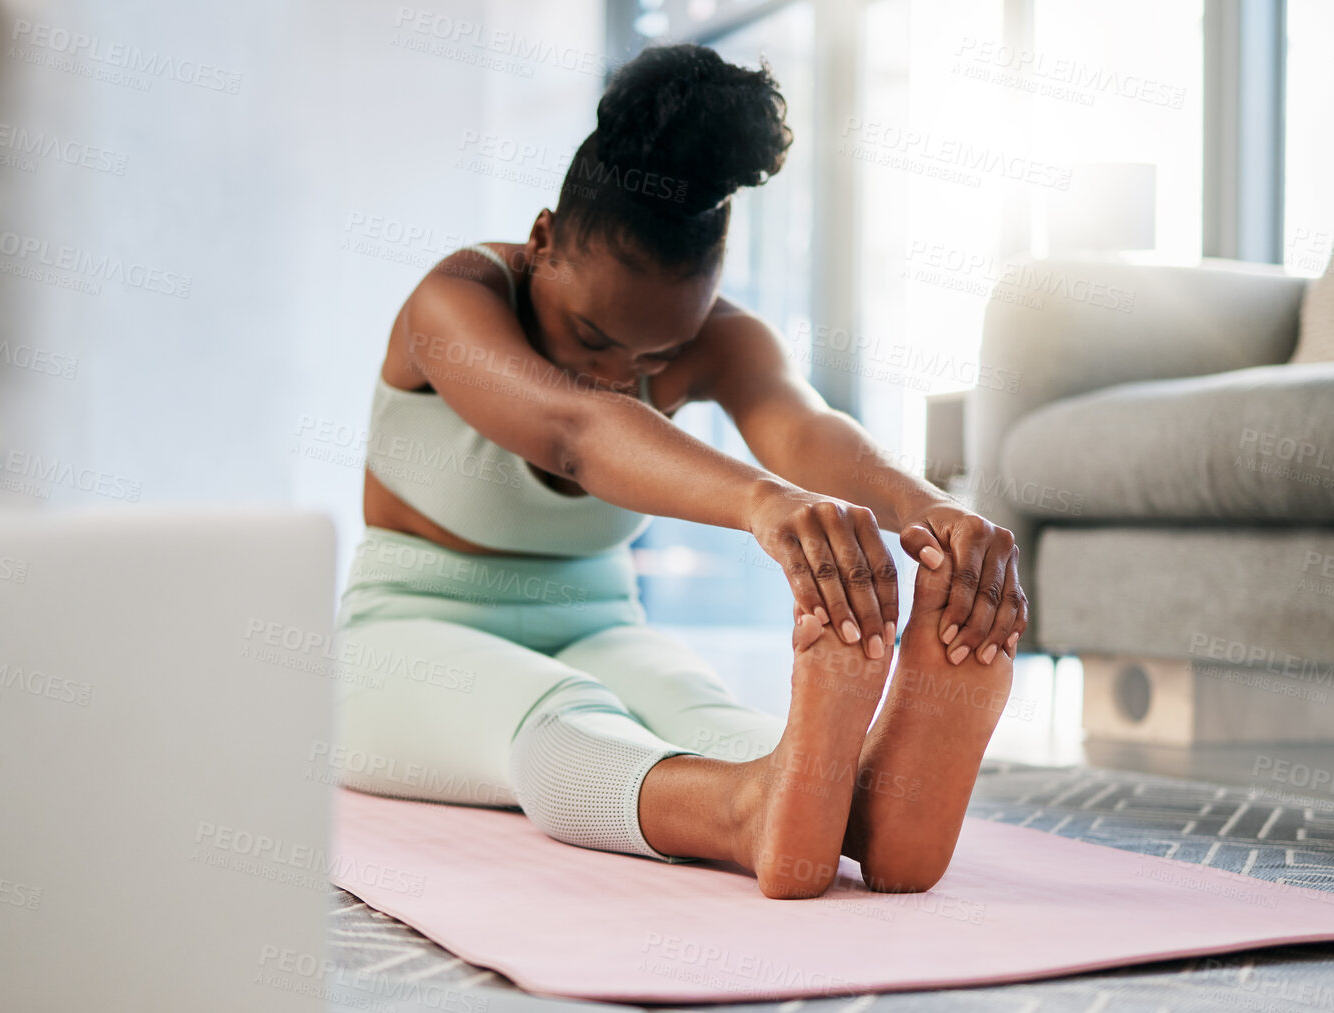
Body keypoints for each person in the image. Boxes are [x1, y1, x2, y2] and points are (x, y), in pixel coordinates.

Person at [334, 43, 1026, 900]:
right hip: (404, 636)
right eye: (592, 338)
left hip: (601, 622)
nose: (622, 372)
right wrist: (765, 505)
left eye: (655, 352)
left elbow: (803, 427)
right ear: (543, 239)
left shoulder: (720, 340)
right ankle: (745, 814)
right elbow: (575, 429)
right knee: (555, 717)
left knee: (715, 719)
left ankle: (879, 809)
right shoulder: (455, 299)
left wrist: (928, 514)